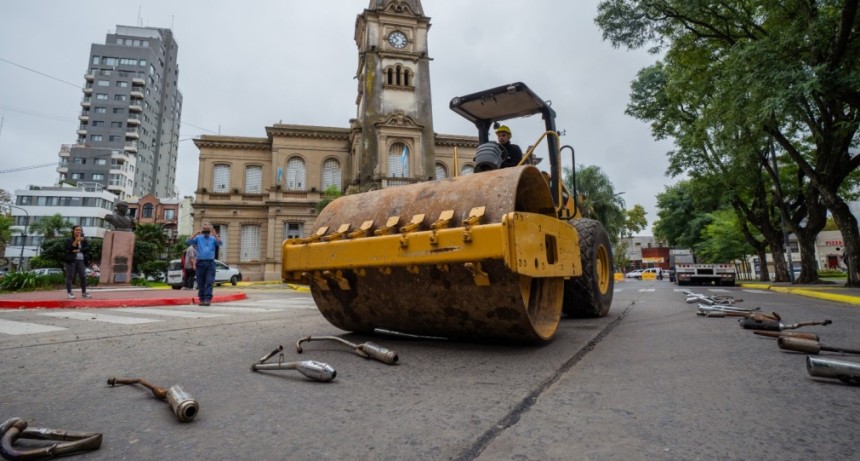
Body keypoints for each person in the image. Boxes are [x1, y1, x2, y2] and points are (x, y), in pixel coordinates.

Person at [186, 223, 222, 306]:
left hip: (210, 263)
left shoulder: (213, 238)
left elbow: (220, 243)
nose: (206, 230)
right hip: (200, 262)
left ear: (210, 230)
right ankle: (201, 299)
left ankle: (207, 299)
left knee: (209, 281)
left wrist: (215, 234)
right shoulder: (198, 238)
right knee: (200, 282)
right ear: (202, 229)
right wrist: (196, 233)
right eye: (204, 228)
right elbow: (188, 241)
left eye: (208, 229)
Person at [63, 225, 91, 299]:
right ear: (73, 231)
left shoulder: (84, 240)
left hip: (81, 260)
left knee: (83, 276)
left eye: (80, 230)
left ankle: (84, 293)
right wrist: (76, 241)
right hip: (71, 260)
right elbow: (70, 249)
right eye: (76, 230)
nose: (78, 231)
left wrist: (78, 249)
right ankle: (70, 293)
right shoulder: (69, 240)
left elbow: (87, 248)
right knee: (70, 276)